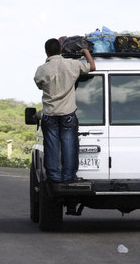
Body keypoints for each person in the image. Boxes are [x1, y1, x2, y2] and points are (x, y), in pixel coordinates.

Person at [34, 38, 95, 184]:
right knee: (69, 145)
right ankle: (68, 176)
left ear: (46, 52)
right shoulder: (72, 65)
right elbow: (92, 67)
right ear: (61, 50)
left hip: (50, 114)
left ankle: (54, 177)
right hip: (68, 113)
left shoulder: (41, 69)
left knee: (51, 146)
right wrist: (86, 52)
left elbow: (39, 84)